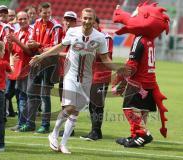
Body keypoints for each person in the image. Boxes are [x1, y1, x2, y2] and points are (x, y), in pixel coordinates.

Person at [30, 8, 130, 154]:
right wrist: (41, 56)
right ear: (81, 19)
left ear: (94, 19)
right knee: (69, 108)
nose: (87, 21)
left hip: (87, 78)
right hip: (70, 74)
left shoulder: (100, 38)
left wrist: (118, 68)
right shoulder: (72, 31)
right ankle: (54, 133)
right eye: (85, 18)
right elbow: (60, 47)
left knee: (75, 112)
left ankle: (63, 143)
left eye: (90, 18)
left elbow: (105, 59)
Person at [112, 4, 170, 148]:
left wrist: (119, 81)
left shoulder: (139, 39)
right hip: (149, 81)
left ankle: (143, 134)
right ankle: (135, 137)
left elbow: (132, 66)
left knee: (128, 109)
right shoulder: (150, 40)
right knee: (142, 110)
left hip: (138, 82)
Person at [21, 2, 63, 133]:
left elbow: (54, 48)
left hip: (49, 62)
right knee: (32, 92)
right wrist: (32, 44)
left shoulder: (56, 26)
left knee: (45, 95)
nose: (47, 14)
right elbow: (31, 43)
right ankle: (30, 123)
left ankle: (45, 125)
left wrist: (38, 44)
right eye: (44, 12)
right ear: (39, 12)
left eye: (49, 12)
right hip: (36, 61)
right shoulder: (37, 24)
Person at [80, 17, 113, 141]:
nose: (90, 24)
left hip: (101, 75)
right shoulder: (86, 37)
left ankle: (96, 132)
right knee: (91, 105)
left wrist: (88, 50)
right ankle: (94, 131)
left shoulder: (106, 37)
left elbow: (106, 56)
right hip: (89, 75)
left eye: (92, 23)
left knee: (97, 104)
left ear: (97, 24)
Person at [7, 11, 33, 131]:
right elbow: (13, 52)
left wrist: (16, 41)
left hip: (29, 69)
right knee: (20, 97)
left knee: (28, 97)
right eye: (20, 19)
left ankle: (29, 124)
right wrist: (10, 44)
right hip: (19, 69)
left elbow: (30, 52)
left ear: (28, 19)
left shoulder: (32, 32)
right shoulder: (16, 33)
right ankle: (21, 122)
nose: (22, 21)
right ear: (17, 20)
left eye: (24, 19)